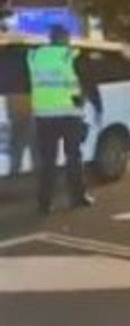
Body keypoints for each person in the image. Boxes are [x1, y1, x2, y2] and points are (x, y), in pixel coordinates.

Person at [27, 25, 102, 214]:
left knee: (47, 162)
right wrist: (97, 106)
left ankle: (44, 203)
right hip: (69, 115)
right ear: (65, 38)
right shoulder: (71, 56)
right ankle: (77, 197)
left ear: (50, 39)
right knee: (73, 158)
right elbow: (88, 82)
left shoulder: (35, 56)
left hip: (44, 116)